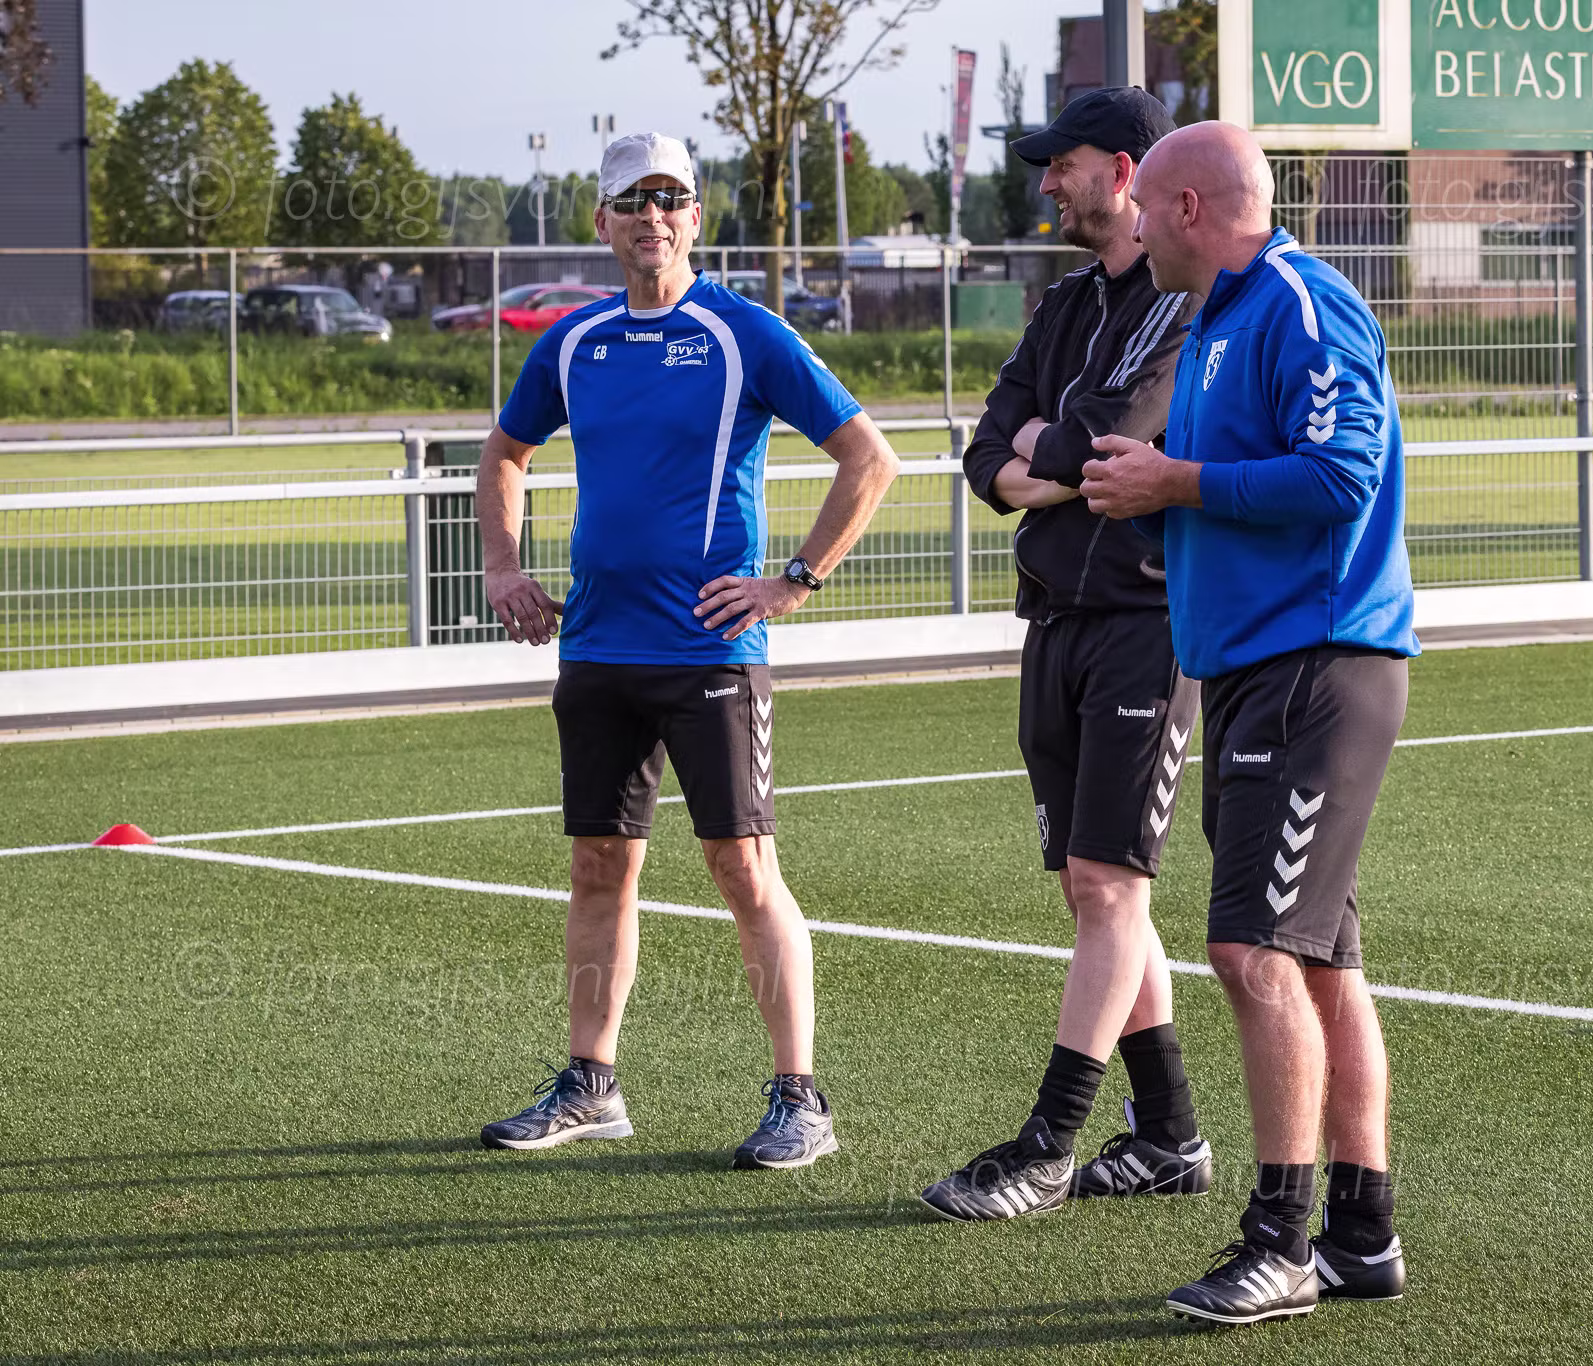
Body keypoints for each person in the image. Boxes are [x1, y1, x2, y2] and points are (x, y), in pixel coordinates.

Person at [472, 132, 899, 1168]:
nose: (651, 216)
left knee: (742, 865)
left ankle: (801, 1098)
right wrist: (502, 566)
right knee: (597, 867)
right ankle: (591, 1085)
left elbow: (868, 458)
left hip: (712, 651)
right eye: (632, 200)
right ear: (601, 220)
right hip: (598, 648)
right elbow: (506, 451)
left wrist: (792, 580)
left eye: (670, 198)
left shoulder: (743, 332)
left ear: (696, 217)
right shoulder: (573, 341)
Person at [1079, 121, 1416, 1325]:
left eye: (1142, 209)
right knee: (1316, 960)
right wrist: (1145, 494)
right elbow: (1232, 492)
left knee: (1250, 951)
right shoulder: (1216, 321)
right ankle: (1360, 1236)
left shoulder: (1299, 303)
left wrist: (1174, 480)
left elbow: (1338, 475)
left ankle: (1278, 1240)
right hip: (1250, 672)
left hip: (1314, 669)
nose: (1128, 229)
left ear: (1184, 207)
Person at [918, 87, 1213, 1222]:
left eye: (1063, 162)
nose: (1047, 182)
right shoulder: (1064, 304)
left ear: (1126, 170)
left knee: (1107, 885)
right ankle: (1170, 1136)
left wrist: (1050, 452)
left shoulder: (1183, 299)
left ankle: (1048, 1143)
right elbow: (986, 452)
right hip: (1052, 616)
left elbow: (1109, 437)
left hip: (1146, 620)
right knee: (1090, 890)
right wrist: (1054, 459)